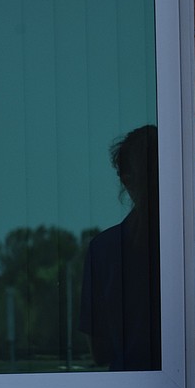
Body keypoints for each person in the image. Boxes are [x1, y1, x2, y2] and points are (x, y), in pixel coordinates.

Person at [80, 125, 161, 371]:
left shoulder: (104, 249)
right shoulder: (190, 245)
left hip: (126, 383)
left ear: (126, 181)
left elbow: (99, 350)